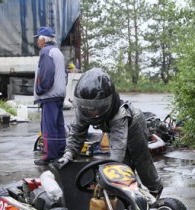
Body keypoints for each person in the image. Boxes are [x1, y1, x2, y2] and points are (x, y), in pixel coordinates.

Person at [58, 68, 163, 198]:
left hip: (133, 124)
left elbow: (117, 152)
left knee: (140, 161)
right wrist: (68, 154)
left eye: (96, 108)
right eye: (88, 108)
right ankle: (131, 195)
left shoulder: (118, 115)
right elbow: (76, 134)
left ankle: (155, 189)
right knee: (125, 165)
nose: (92, 112)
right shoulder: (83, 110)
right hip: (113, 127)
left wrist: (104, 178)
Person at [33, 26, 67, 165]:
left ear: (43, 39)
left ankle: (49, 155)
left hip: (50, 95)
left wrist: (41, 89)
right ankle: (60, 150)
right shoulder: (57, 51)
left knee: (48, 126)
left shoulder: (45, 52)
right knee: (58, 124)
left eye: (38, 39)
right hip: (59, 94)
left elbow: (47, 73)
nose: (37, 42)